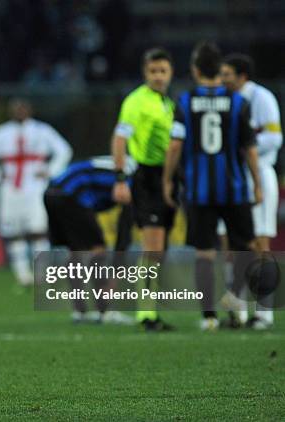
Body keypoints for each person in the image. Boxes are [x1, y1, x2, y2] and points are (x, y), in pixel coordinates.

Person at [162, 42, 261, 331]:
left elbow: (175, 145)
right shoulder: (238, 101)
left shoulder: (184, 101)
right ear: (219, 69)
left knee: (204, 253)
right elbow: (250, 149)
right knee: (244, 247)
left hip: (198, 190)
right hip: (234, 187)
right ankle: (233, 296)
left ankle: (208, 317)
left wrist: (168, 180)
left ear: (194, 69)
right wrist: (257, 183)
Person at [110, 47, 175, 331]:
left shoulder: (167, 103)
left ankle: (151, 310)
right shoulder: (136, 101)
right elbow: (120, 139)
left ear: (171, 73)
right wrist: (121, 177)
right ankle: (145, 313)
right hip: (146, 178)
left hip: (167, 178)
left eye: (163, 71)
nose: (158, 77)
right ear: (144, 73)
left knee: (161, 251)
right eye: (153, 72)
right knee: (153, 248)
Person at [218, 54, 282, 329]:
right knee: (230, 247)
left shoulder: (262, 98)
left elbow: (275, 137)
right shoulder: (223, 100)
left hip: (259, 176)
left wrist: (245, 149)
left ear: (242, 76)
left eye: (227, 74)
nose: (223, 79)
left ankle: (264, 311)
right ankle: (238, 310)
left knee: (260, 244)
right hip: (231, 180)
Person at [0, 99, 72, 289]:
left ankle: (42, 274)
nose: (19, 111)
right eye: (16, 108)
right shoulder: (1, 133)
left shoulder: (42, 130)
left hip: (34, 184)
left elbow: (64, 150)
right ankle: (22, 275)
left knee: (38, 230)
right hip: (10, 185)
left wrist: (51, 170)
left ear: (30, 110)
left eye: (23, 108)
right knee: (13, 231)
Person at [44, 155, 136, 325]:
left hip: (51, 192)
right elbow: (124, 233)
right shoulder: (135, 181)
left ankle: (79, 312)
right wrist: (115, 276)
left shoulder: (125, 163)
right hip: (72, 194)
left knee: (76, 252)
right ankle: (106, 310)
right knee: (97, 250)